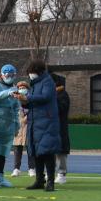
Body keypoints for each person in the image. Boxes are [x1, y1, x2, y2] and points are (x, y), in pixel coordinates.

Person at [14, 59, 61, 192]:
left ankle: (50, 181)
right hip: (35, 122)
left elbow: (45, 97)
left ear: (38, 71)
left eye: (31, 72)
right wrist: (23, 101)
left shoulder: (47, 81)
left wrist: (27, 98)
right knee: (36, 152)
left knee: (47, 152)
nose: (30, 75)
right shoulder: (35, 83)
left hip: (47, 121)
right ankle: (39, 180)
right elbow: (32, 103)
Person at [54, 74, 71, 183]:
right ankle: (51, 172)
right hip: (50, 127)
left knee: (61, 151)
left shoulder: (62, 94)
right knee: (50, 151)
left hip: (60, 127)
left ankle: (61, 173)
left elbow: (61, 109)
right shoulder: (51, 94)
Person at [11, 93, 29, 177]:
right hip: (18, 129)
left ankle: (31, 168)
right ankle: (16, 169)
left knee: (30, 149)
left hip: (28, 128)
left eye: (23, 87)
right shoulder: (15, 102)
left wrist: (27, 118)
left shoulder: (30, 100)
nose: (21, 88)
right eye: (20, 87)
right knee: (17, 149)